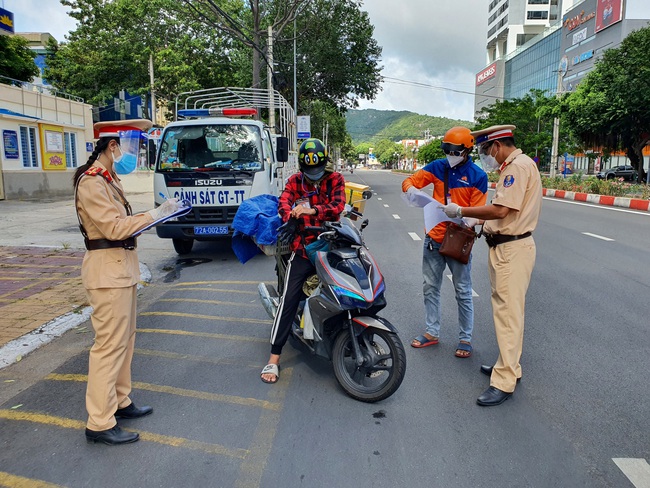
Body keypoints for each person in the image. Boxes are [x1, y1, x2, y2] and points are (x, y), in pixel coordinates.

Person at [74, 120, 181, 444]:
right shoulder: (92, 183)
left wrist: (158, 213)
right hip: (107, 273)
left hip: (120, 270)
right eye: (128, 147)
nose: (130, 154)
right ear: (112, 147)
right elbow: (114, 228)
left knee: (125, 341)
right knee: (108, 347)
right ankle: (99, 422)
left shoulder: (108, 180)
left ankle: (120, 401)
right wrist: (155, 213)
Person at [441, 125, 542, 406]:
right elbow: (505, 213)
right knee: (509, 313)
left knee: (507, 316)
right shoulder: (520, 165)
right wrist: (481, 222)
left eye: (486, 151)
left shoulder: (516, 168)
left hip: (512, 249)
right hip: (507, 246)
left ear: (497, 146)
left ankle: (504, 380)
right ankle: (510, 365)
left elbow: (501, 210)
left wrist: (462, 211)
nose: (486, 157)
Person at [260, 138, 346, 384]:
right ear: (301, 167)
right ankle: (274, 358)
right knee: (289, 298)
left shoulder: (335, 179)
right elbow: (284, 201)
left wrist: (312, 211)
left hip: (333, 245)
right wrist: (290, 217)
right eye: (309, 172)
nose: (314, 177)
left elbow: (337, 206)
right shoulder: (295, 181)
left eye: (317, 171)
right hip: (305, 248)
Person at [401, 127, 488, 358]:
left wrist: (462, 215)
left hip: (459, 238)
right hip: (433, 237)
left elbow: (480, 213)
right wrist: (410, 190)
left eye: (455, 150)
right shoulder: (438, 167)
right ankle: (431, 332)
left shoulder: (478, 176)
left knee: (462, 290)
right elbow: (410, 181)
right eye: (447, 149)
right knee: (430, 287)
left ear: (466, 150)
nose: (450, 154)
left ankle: (465, 338)